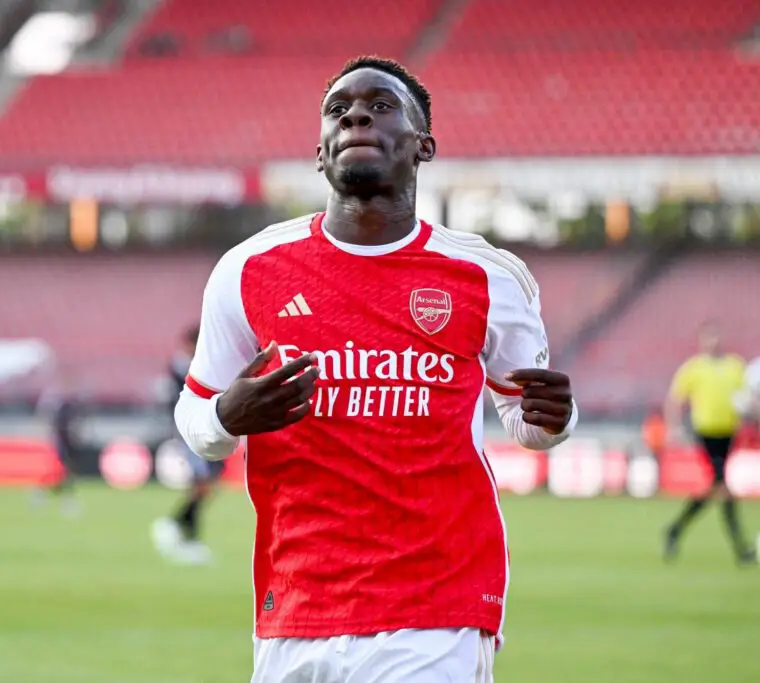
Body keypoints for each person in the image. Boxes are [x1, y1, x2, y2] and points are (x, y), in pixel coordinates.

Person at [174, 55, 577, 683]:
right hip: (296, 607)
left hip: (438, 605)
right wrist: (226, 416)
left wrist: (556, 418)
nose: (355, 116)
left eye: (381, 107)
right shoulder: (249, 270)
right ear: (320, 153)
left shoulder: (487, 277)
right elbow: (195, 414)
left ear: (423, 145)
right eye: (338, 110)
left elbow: (526, 420)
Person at [663, 322, 755, 565]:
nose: (713, 342)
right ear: (702, 341)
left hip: (729, 434)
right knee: (723, 487)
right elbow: (675, 398)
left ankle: (674, 529)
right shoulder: (694, 368)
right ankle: (741, 548)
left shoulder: (735, 366)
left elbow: (747, 397)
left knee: (717, 487)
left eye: (716, 337)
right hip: (706, 434)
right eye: (708, 338)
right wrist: (673, 427)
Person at [152, 325, 226, 565]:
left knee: (207, 485)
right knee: (202, 483)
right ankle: (184, 533)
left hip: (204, 430)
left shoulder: (191, 366)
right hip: (190, 433)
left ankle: (177, 526)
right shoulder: (183, 367)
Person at [31, 389, 83, 517]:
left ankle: (53, 496)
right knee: (59, 473)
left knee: (63, 474)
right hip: (61, 446)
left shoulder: (68, 409)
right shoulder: (62, 410)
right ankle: (46, 494)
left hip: (66, 445)